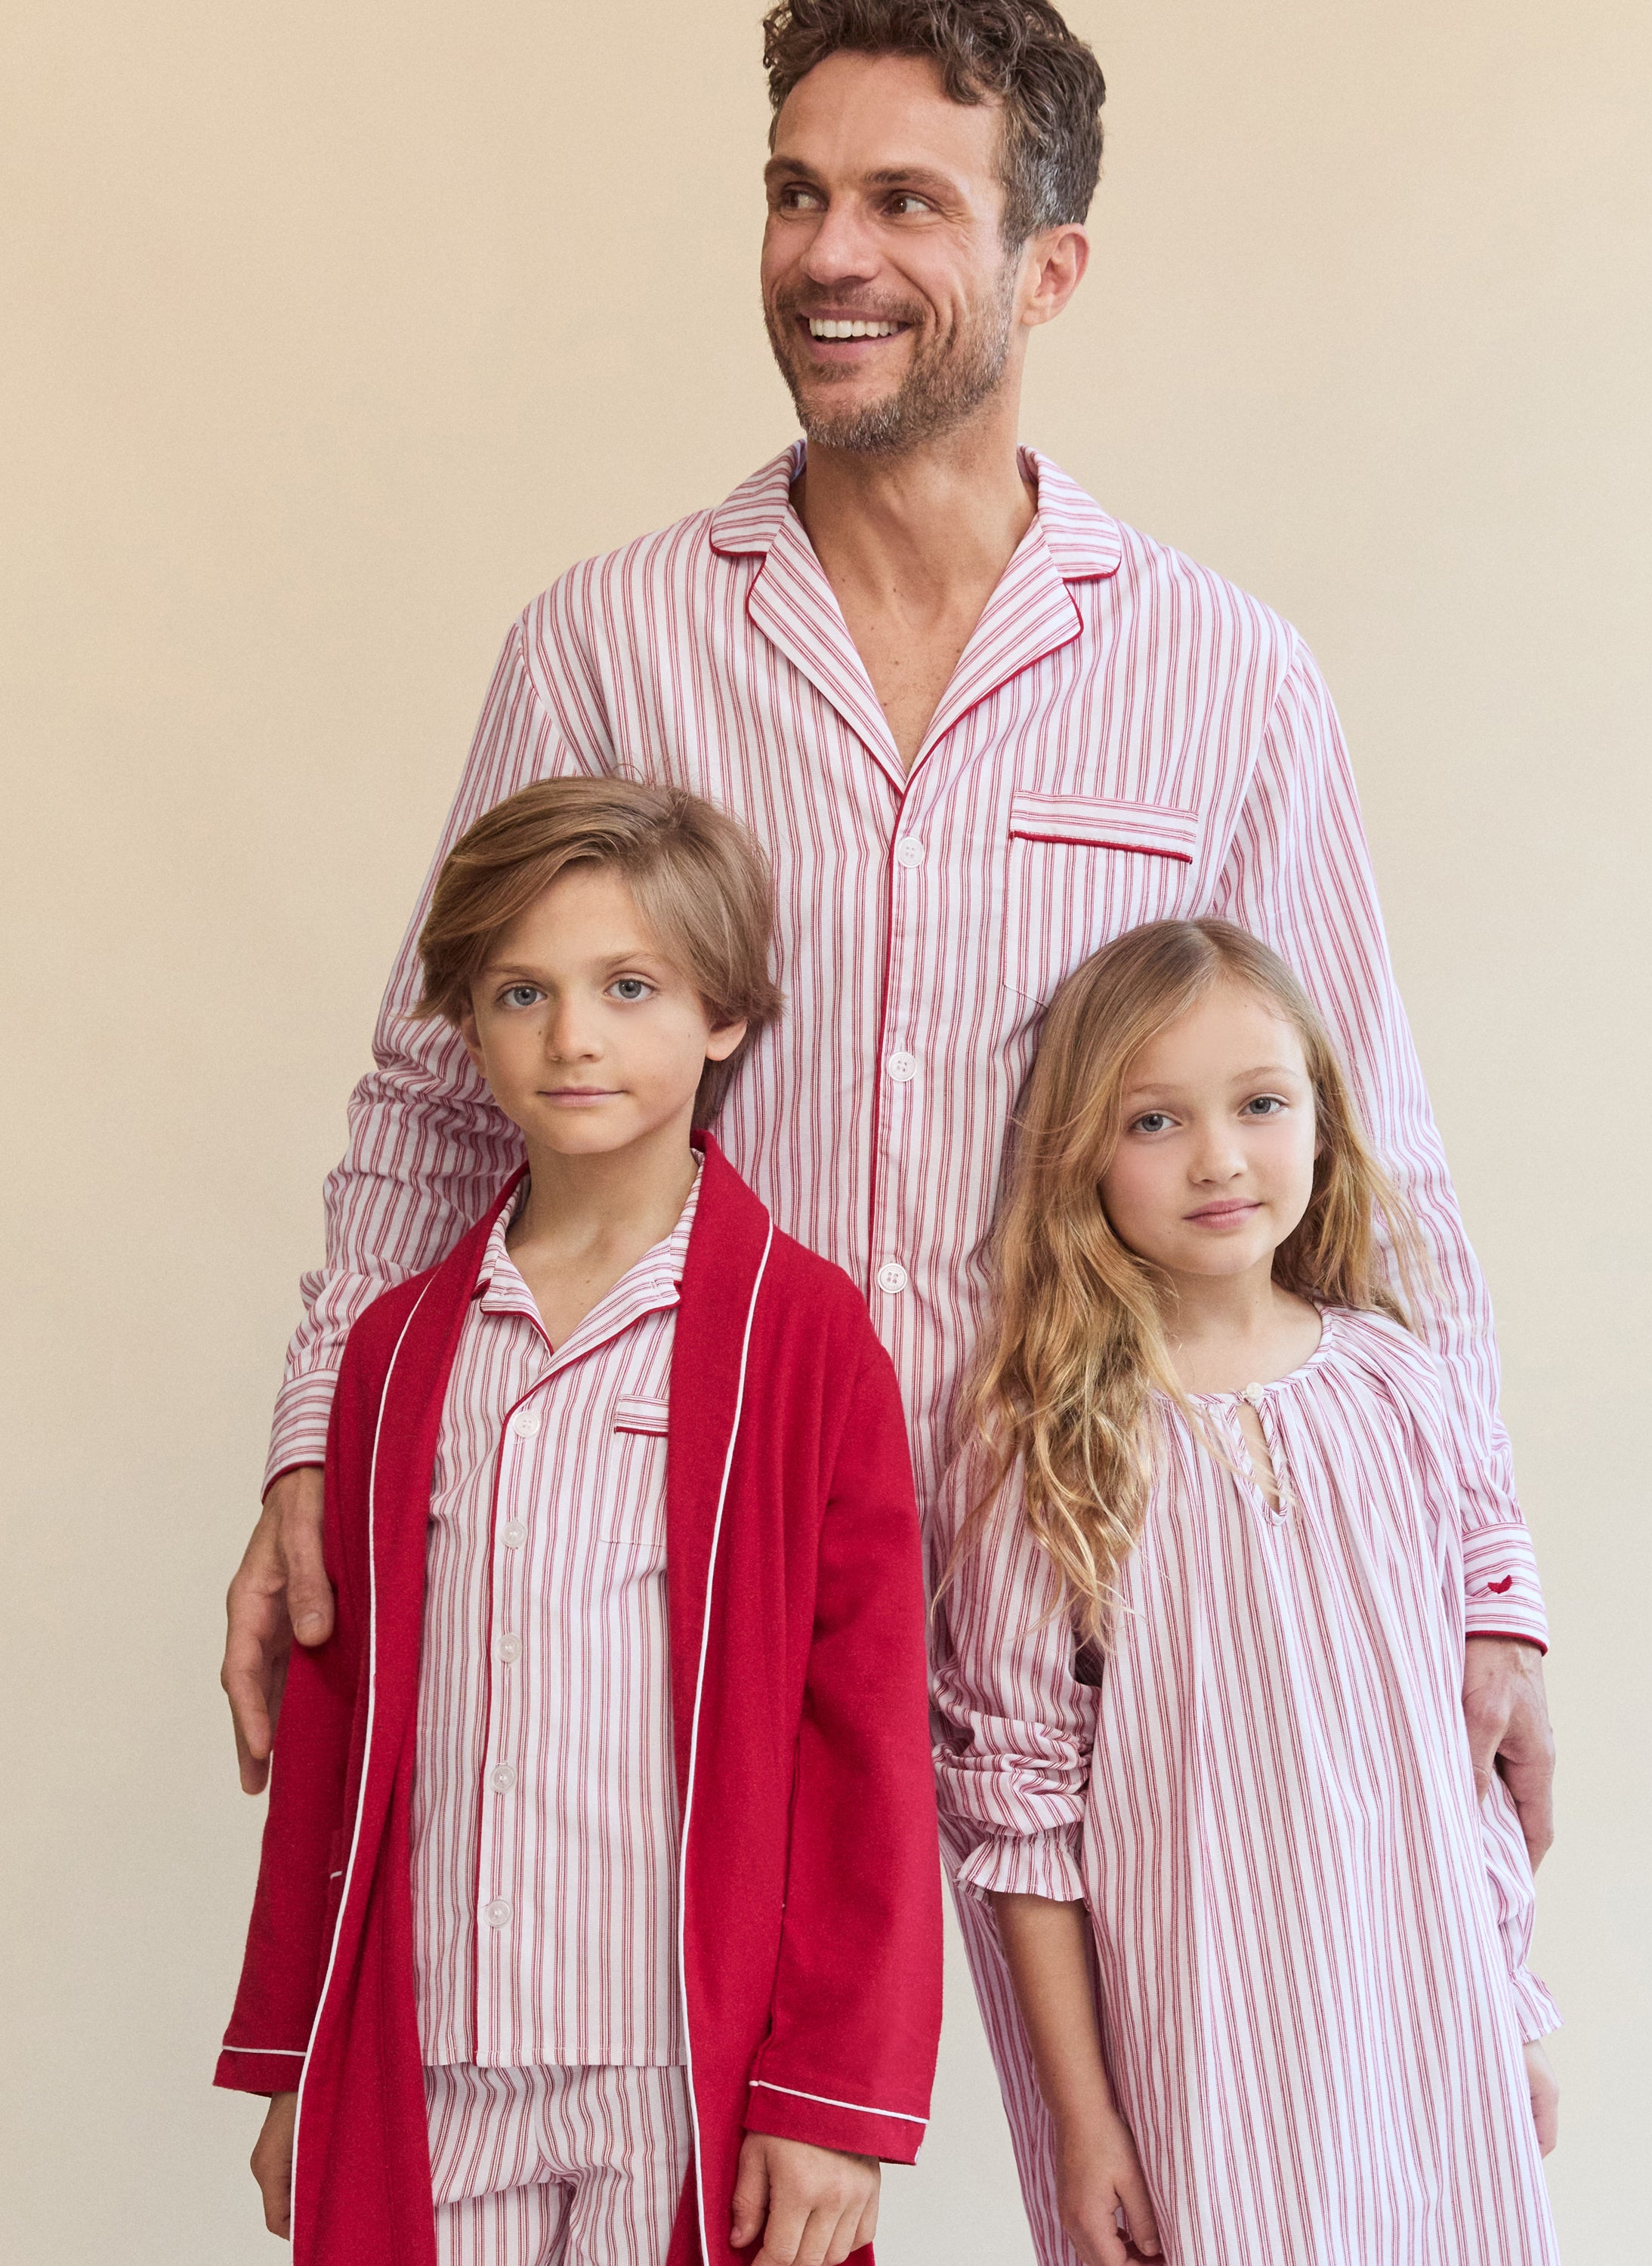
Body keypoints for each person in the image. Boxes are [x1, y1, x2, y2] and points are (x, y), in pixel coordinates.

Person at [221, 0, 1555, 2227]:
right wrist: (306, 1461)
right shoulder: (614, 640)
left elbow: (1371, 1155)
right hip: (703, 1551)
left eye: (904, 202)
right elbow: (430, 1099)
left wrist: (1484, 1578)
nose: (827, 253)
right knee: (673, 2187)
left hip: (1127, 1565)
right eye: (794, 192)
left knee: (1227, 2207)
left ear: (1049, 268)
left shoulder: (1224, 675)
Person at [215, 778, 943, 2266]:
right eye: (521, 993)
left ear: (725, 1013)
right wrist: (301, 2056)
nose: (574, 1037)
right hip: (429, 2059)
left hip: (686, 2063)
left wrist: (835, 2100)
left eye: (630, 987)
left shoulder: (803, 1338)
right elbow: (339, 1728)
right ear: (469, 1026)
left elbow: (865, 1734)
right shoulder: (402, 1348)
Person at [933, 917, 1560, 2266]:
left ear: (1325, 1121)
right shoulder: (1046, 1439)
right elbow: (1022, 1802)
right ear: (1081, 1154)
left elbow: (1459, 1779)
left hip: (1428, 2047)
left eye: (1261, 1105)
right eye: (1154, 1120)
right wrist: (1082, 2122)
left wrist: (1508, 2013)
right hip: (1207, 2072)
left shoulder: (1401, 1389)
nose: (1219, 1157)